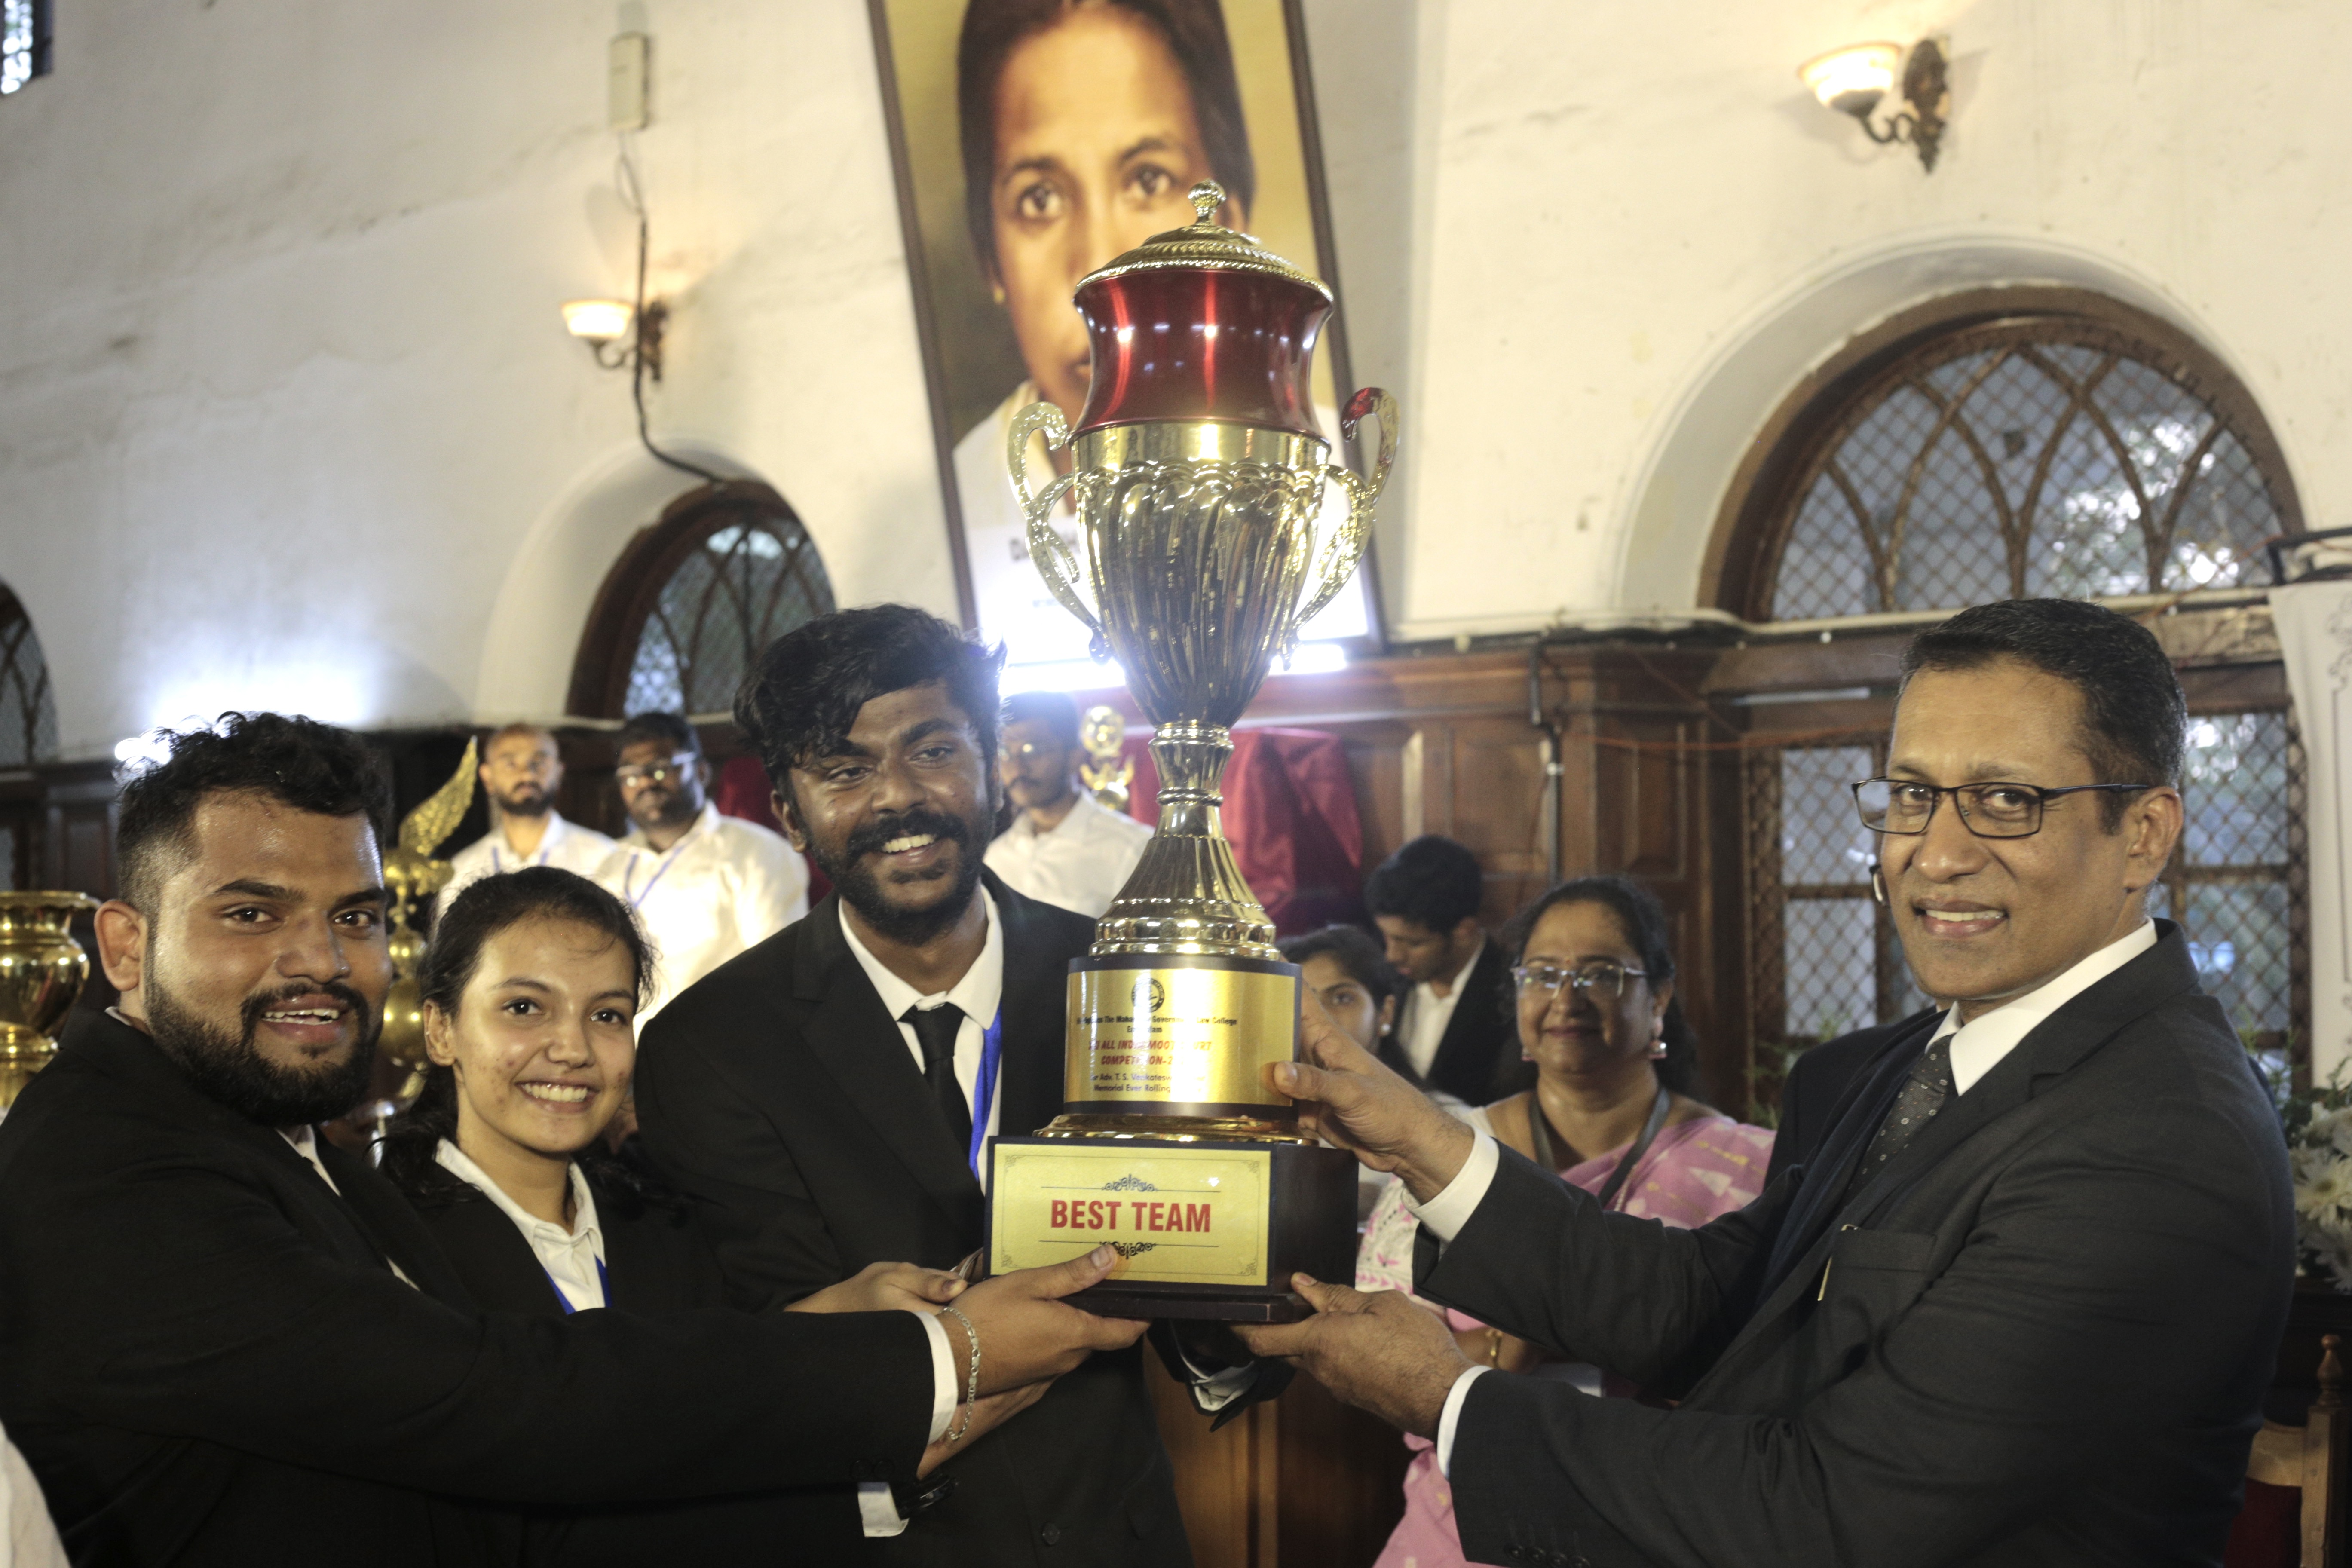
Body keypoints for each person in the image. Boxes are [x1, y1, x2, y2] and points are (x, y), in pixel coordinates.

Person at [1236, 599, 2298, 1567]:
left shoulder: (2156, 1137)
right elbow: (1709, 1301)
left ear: (2142, 835)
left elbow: (1836, 1515)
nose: (1934, 855)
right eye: (1912, 796)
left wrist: (1449, 1399)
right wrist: (1421, 1140)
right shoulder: (1899, 1062)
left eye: (2004, 800)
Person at [0, 710, 1149, 1566]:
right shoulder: (108, 1171)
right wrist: (934, 1357)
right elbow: (505, 1405)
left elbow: (515, 1476)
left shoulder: (294, 1146)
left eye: (353, 916)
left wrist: (837, 1385)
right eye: (251, 914)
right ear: (122, 944)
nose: (318, 961)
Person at [636, 605, 1283, 1564]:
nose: (899, 798)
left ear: (992, 765)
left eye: (933, 750)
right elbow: (777, 1354)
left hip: (1118, 1537)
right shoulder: (713, 1044)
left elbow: (1207, 1304)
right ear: (788, 811)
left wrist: (1255, 1265)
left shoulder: (1122, 987)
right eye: (845, 770)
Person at [386, 864, 980, 1562]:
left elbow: (729, 1399)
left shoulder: (668, 1222)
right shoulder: (386, 1247)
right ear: (440, 1028)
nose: (572, 1049)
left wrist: (831, 1326)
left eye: (607, 1015)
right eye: (524, 1007)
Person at [1353, 875, 1773, 1568]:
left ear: (1658, 997)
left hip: (1662, 1525)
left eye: (1601, 974)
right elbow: (1382, 1355)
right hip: (1461, 1527)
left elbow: (1772, 1378)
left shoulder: (1749, 1168)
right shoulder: (1445, 1157)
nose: (1566, 998)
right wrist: (1518, 1341)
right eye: (1543, 974)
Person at [949, 0, 1261, 665]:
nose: (1098, 267)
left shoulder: (1327, 484)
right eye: (1040, 198)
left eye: (1149, 180)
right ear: (988, 255)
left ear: (1232, 223)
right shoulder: (945, 509)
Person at [591, 711, 806, 1019]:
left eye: (661, 769)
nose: (646, 784)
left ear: (702, 772)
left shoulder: (756, 852)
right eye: (631, 775)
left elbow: (776, 973)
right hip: (628, 1038)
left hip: (721, 1035)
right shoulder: (609, 864)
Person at [1365, 834, 1526, 1106]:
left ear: (1464, 930)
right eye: (1387, 937)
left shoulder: (1514, 993)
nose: (1392, 955)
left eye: (1413, 943)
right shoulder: (1383, 980)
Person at [1279, 923, 1412, 1222]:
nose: (1321, 1017)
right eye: (1301, 1001)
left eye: (1342, 998)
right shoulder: (1261, 1125)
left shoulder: (1449, 1121)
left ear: (1385, 1013)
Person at [984, 689, 1152, 917]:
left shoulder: (1133, 850)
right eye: (1005, 752)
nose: (1017, 767)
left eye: (1033, 750)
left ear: (1075, 757)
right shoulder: (995, 858)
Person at [439, 723, 616, 909]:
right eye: (510, 764)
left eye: (539, 763)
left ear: (559, 773)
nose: (526, 774)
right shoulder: (463, 868)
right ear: (487, 777)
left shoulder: (603, 856)